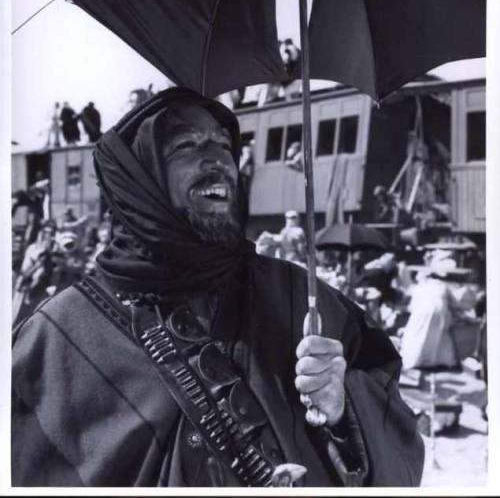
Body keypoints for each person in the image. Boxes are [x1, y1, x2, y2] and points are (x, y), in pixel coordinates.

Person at [12, 88, 423, 487]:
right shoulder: (60, 335)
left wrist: (341, 408)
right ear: (138, 181)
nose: (217, 161)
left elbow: (391, 417)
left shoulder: (296, 294)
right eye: (186, 146)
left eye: (224, 145)